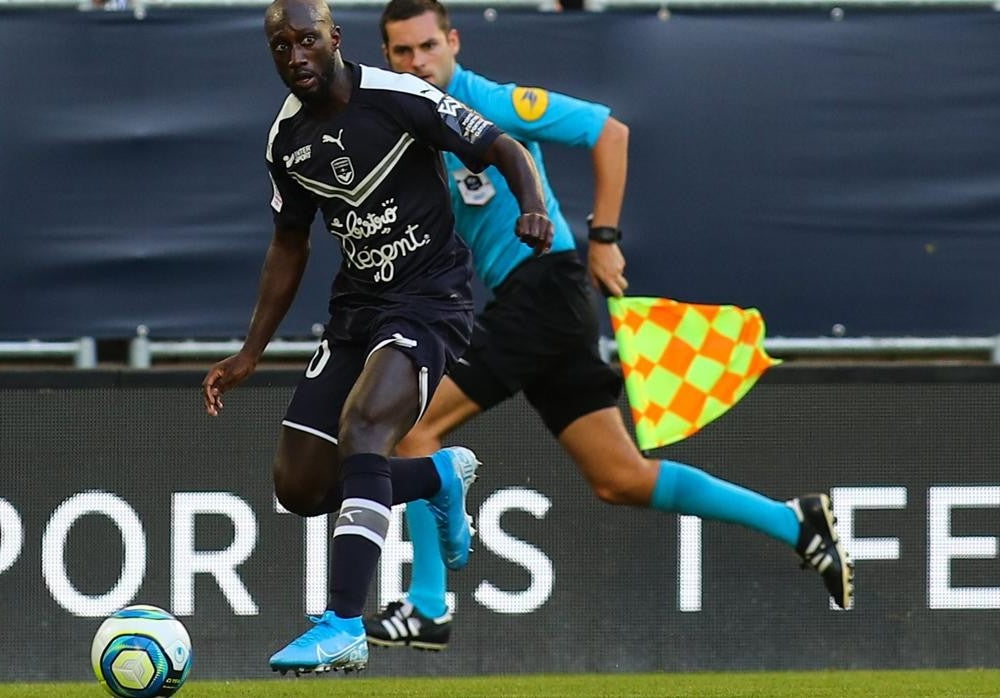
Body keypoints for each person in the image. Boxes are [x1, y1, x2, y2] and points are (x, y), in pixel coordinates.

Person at [364, 0, 854, 652]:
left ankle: (428, 604)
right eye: (403, 53)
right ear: (390, 59)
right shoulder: (420, 130)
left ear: (453, 42)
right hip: (539, 302)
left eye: (427, 46)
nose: (419, 62)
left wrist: (604, 239)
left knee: (413, 427)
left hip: (541, 291)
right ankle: (797, 523)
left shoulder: (493, 104)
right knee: (619, 477)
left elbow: (609, 131)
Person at [201, 0, 555, 674]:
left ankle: (342, 623)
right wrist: (250, 352)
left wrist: (532, 208)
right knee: (299, 486)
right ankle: (437, 475)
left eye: (307, 41)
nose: (295, 57)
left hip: (429, 300)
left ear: (335, 38)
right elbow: (288, 243)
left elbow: (502, 146)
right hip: (357, 311)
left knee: (365, 426)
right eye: (281, 47)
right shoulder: (285, 142)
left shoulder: (398, 96)